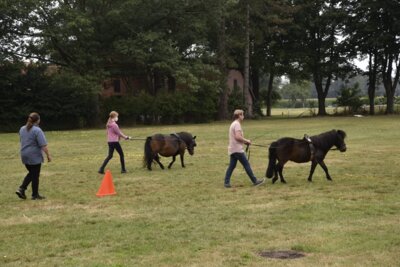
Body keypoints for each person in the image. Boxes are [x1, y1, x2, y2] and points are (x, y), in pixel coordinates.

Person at [224, 109, 265, 188]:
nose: (243, 116)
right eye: (242, 115)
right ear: (239, 115)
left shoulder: (234, 124)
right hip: (237, 149)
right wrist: (246, 140)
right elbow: (238, 137)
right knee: (246, 164)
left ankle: (226, 183)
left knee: (232, 166)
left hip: (233, 148)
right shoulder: (237, 124)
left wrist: (245, 142)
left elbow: (237, 138)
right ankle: (255, 181)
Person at [16, 112, 51, 200]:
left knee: (32, 173)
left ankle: (23, 190)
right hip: (34, 155)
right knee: (34, 175)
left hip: (24, 154)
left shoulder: (22, 128)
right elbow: (43, 145)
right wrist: (48, 156)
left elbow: (22, 140)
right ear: (38, 120)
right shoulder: (37, 130)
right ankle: (32, 194)